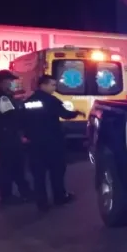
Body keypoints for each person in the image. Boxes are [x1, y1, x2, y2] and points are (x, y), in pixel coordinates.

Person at [23, 74, 85, 211]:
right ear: (43, 85)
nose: (54, 88)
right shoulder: (51, 100)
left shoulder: (28, 102)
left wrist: (26, 135)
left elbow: (22, 120)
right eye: (52, 85)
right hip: (52, 142)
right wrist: (77, 113)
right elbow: (65, 114)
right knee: (56, 171)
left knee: (38, 174)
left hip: (34, 143)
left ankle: (42, 203)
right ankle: (59, 197)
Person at [0, 70, 33, 206]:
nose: (12, 83)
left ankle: (24, 192)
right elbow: (9, 115)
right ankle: (7, 196)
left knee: (15, 164)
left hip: (6, 133)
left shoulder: (3, 95)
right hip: (6, 135)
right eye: (10, 81)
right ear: (3, 81)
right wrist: (19, 107)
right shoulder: (0, 96)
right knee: (8, 166)